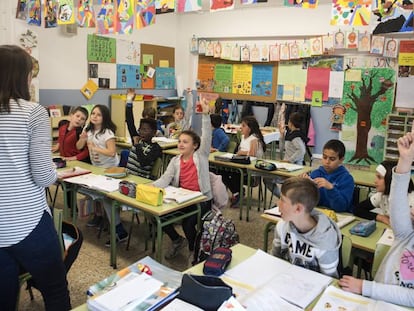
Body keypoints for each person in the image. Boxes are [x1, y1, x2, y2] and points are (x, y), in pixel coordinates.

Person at [0, 45, 71, 310]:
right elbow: (42, 176)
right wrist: (56, 173)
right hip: (26, 222)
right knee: (54, 289)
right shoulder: (33, 112)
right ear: (22, 76)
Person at [339, 130, 414, 307]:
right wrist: (405, 160)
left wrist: (365, 287)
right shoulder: (407, 236)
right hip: (375, 301)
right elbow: (397, 202)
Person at [152, 93, 212, 260]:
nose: (181, 144)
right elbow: (165, 179)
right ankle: (177, 240)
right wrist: (151, 186)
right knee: (159, 215)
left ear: (195, 146)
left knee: (188, 224)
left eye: (185, 142)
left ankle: (194, 250)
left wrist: (206, 115)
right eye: (180, 141)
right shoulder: (175, 160)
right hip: (182, 199)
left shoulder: (201, 156)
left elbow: (207, 135)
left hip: (201, 200)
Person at [77, 105, 128, 245]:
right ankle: (100, 217)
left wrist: (95, 148)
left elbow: (112, 152)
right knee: (83, 189)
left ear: (104, 117)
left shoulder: (107, 133)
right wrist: (82, 138)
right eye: (93, 113)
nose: (94, 116)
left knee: (107, 198)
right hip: (97, 169)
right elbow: (78, 147)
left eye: (98, 114)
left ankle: (119, 231)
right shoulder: (88, 130)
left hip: (110, 170)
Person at [271, 177, 341, 277]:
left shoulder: (325, 241)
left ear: (298, 208)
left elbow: (330, 280)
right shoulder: (282, 226)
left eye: (282, 200)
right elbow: (274, 259)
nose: (278, 203)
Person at [221, 116, 266, 208]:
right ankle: (237, 192)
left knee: (234, 173)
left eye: (244, 126)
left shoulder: (254, 138)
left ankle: (238, 193)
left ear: (250, 128)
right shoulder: (243, 137)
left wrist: (242, 152)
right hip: (241, 165)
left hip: (251, 170)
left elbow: (252, 155)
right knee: (222, 172)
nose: (241, 128)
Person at [354, 160, 414, 226]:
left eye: (379, 177)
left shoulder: (411, 200)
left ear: (391, 180)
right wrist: (382, 218)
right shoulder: (382, 195)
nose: (375, 181)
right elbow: (358, 209)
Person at [303, 139, 354, 213]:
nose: (327, 162)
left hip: (339, 215)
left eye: (332, 159)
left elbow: (342, 207)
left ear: (341, 160)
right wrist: (305, 187)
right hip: (319, 213)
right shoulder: (316, 174)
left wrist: (331, 188)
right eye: (324, 157)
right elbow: (310, 202)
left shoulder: (346, 179)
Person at [264, 112, 308, 198]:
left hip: (294, 169)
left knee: (268, 179)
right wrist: (282, 135)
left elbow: (302, 151)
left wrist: (289, 160)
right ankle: (284, 199)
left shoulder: (296, 137)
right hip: (286, 167)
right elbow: (281, 149)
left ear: (290, 123)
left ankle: (284, 199)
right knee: (267, 178)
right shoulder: (291, 135)